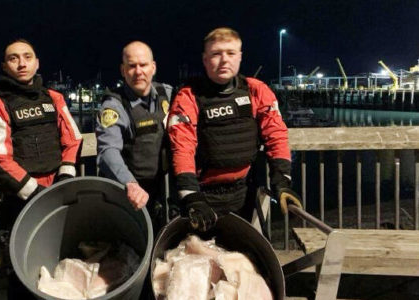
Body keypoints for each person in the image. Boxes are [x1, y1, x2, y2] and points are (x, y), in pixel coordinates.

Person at [167, 27, 302, 232]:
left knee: (245, 259)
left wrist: (282, 181)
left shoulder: (256, 90)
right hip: (203, 195)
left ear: (239, 57)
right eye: (216, 54)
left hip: (245, 192)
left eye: (230, 53)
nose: (224, 60)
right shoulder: (188, 97)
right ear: (205, 59)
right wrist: (191, 196)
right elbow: (182, 146)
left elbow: (276, 135)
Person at [0, 39, 82, 298]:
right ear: (5, 65)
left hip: (58, 195)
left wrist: (65, 176)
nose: (22, 63)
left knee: (63, 265)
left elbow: (73, 138)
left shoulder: (54, 98)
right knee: (22, 275)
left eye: (27, 56)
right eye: (14, 58)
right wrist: (34, 193)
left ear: (37, 62)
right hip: (20, 203)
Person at [96, 41, 174, 230]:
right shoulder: (114, 106)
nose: (139, 71)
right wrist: (130, 184)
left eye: (143, 65)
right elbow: (108, 150)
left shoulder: (168, 94)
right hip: (128, 191)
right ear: (123, 70)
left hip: (163, 189)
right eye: (132, 66)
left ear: (153, 67)